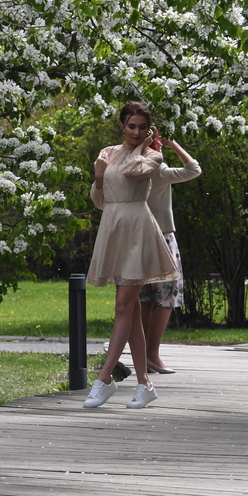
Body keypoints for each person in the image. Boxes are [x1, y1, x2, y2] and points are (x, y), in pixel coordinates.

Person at [83, 101, 179, 409]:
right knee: (133, 310)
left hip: (138, 230)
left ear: (148, 130)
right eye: (131, 126)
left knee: (124, 304)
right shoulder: (107, 153)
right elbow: (100, 199)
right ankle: (144, 383)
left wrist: (142, 147)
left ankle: (104, 378)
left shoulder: (153, 155)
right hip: (113, 226)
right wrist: (99, 174)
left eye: (142, 127)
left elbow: (135, 172)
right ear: (122, 126)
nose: (136, 132)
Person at [138, 134, 201, 375]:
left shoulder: (132, 165)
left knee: (144, 297)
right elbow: (194, 169)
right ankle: (152, 354)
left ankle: (143, 356)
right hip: (162, 237)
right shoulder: (158, 169)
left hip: (139, 238)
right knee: (167, 295)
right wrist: (175, 145)